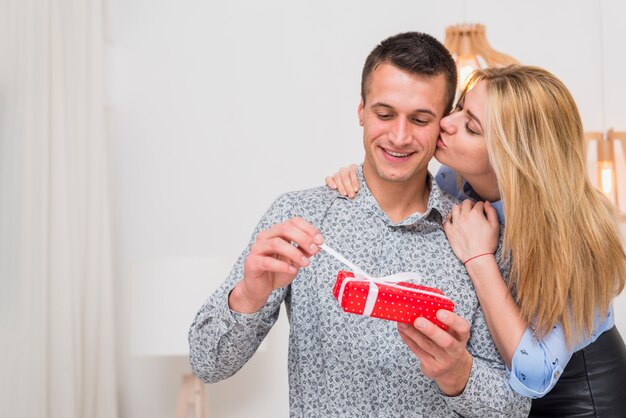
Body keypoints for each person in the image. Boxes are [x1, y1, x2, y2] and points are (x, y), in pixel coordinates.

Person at [188, 32, 530, 417]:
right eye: (384, 114)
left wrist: (458, 375)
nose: (399, 137)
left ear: (444, 125)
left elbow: (516, 409)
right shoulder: (300, 218)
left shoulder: (477, 236)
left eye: (420, 119)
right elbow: (207, 363)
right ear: (361, 112)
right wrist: (248, 295)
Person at [326, 65, 626, 416]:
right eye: (459, 108)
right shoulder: (454, 179)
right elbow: (405, 194)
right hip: (504, 398)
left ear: (513, 157)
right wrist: (361, 176)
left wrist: (479, 258)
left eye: (471, 127)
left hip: (580, 397)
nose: (447, 124)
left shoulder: (576, 235)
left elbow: (535, 374)